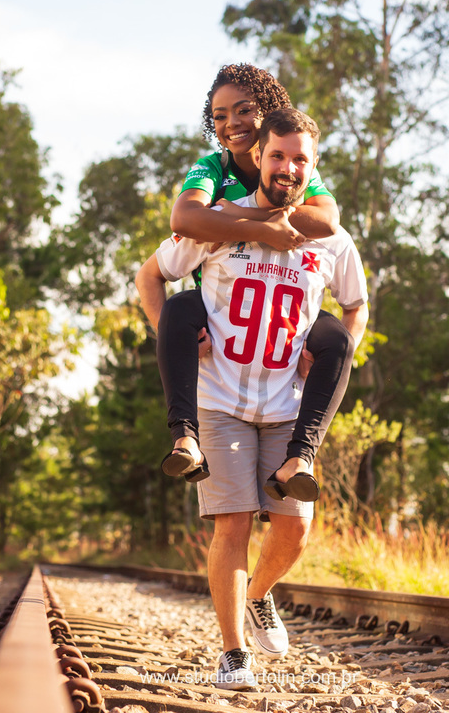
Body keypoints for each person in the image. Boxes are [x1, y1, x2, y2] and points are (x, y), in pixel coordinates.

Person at [136, 109, 369, 690]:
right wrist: (178, 341)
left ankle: (259, 595)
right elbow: (152, 273)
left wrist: (331, 350)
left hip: (287, 403)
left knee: (295, 528)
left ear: (312, 169)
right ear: (259, 155)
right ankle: (234, 654)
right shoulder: (217, 223)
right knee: (232, 524)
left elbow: (355, 307)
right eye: (278, 156)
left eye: (300, 160)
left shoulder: (333, 242)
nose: (287, 168)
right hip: (220, 399)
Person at [154, 64, 355, 498]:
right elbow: (184, 218)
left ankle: (300, 457)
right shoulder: (212, 167)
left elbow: (326, 222)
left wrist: (228, 213)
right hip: (221, 307)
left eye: (243, 110)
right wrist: (262, 227)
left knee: (332, 334)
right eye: (220, 115)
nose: (231, 124)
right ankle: (184, 435)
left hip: (279, 314)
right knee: (180, 307)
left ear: (268, 113)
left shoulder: (294, 165)